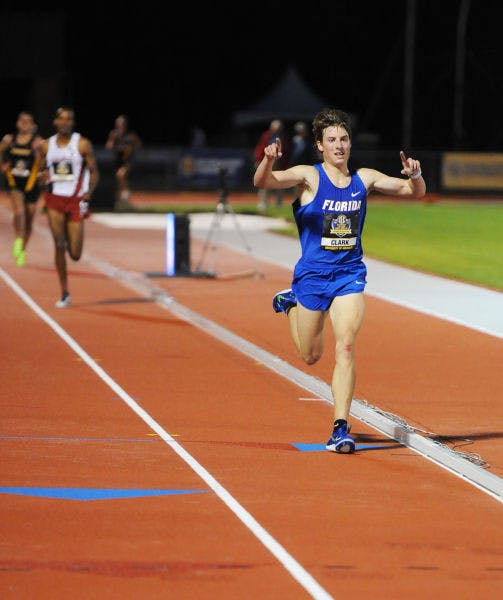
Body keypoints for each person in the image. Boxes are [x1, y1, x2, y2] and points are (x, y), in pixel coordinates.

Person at [253, 107, 426, 454]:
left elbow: (414, 192)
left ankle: (340, 427)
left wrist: (416, 175)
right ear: (319, 145)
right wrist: (268, 161)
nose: (339, 145)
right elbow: (263, 182)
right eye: (331, 140)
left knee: (345, 344)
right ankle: (289, 304)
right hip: (312, 277)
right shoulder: (308, 176)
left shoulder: (365, 178)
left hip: (349, 275)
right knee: (310, 355)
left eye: (344, 139)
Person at [39, 106, 99, 308]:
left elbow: (94, 172)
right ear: (55, 122)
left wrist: (88, 193)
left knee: (75, 254)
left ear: (72, 122)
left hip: (75, 200)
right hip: (54, 198)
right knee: (58, 244)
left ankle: (69, 237)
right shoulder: (46, 146)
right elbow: (40, 172)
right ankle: (64, 292)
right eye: (61, 119)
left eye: (68, 119)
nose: (64, 122)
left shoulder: (82, 144)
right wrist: (41, 178)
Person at [0, 111, 43, 267]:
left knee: (30, 219)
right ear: (17, 123)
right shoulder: (9, 140)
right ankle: (18, 240)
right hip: (14, 183)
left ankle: (23, 249)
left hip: (31, 185)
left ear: (32, 125)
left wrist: (39, 154)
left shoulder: (37, 142)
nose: (25, 124)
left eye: (28, 121)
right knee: (19, 212)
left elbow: (43, 162)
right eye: (22, 121)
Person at [105, 114, 141, 209]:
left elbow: (138, 145)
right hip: (117, 161)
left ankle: (125, 199)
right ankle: (119, 202)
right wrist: (115, 146)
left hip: (127, 162)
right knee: (118, 182)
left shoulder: (131, 135)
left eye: (122, 123)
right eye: (118, 123)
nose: (120, 124)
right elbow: (109, 146)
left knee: (121, 175)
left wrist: (129, 149)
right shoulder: (114, 134)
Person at [253, 119, 288, 209]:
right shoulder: (266, 135)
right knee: (264, 183)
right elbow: (260, 148)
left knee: (280, 183)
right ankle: (263, 203)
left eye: (278, 128)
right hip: (266, 161)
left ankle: (278, 204)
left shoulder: (284, 137)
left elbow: (287, 151)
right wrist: (258, 160)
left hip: (279, 163)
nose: (276, 129)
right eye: (275, 127)